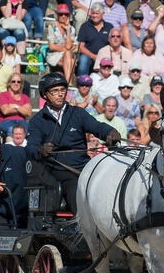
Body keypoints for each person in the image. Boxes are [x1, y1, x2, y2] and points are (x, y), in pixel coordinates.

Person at [26, 72, 119, 213]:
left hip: (84, 165)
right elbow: (31, 148)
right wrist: (41, 150)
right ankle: (82, 228)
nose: (60, 94)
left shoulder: (77, 113)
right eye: (55, 91)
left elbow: (97, 126)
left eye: (63, 90)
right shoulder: (37, 120)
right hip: (58, 170)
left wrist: (109, 132)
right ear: (45, 94)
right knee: (77, 186)